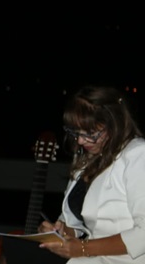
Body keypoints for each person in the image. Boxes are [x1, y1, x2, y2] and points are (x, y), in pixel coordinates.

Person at [38, 85, 145, 263]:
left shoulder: (138, 154)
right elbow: (79, 224)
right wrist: (59, 232)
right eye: (76, 132)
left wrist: (83, 248)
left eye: (91, 133)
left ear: (115, 124)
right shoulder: (87, 157)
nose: (81, 140)